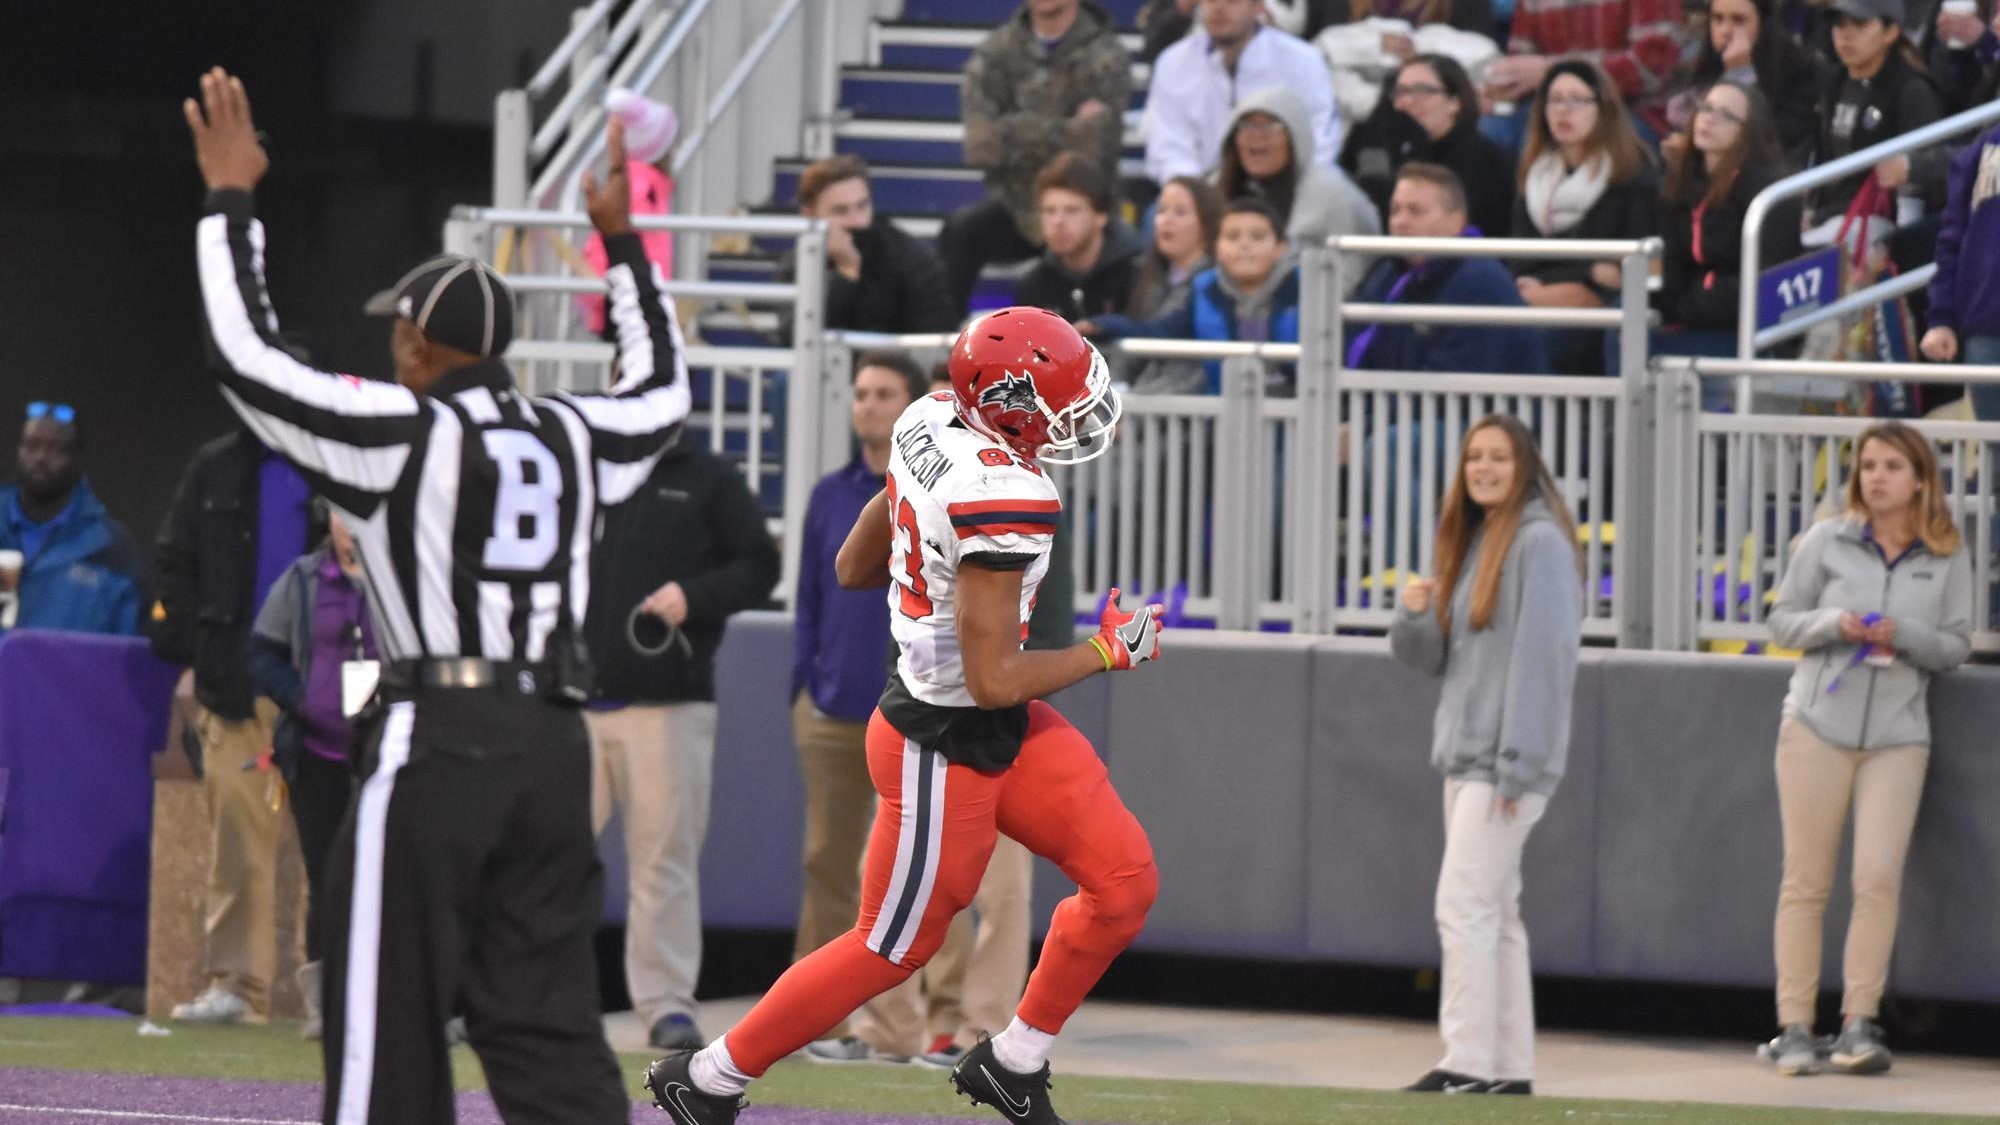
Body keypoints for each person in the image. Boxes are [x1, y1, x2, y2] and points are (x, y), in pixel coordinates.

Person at [183, 70, 690, 1124]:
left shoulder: (399, 431)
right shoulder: (573, 435)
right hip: (553, 744)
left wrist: (231, 205)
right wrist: (627, 253)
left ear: (416, 343)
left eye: (395, 334)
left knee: (387, 1018)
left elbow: (248, 360)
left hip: (439, 736)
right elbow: (661, 396)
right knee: (545, 1027)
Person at [645, 308, 1165, 1125]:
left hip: (985, 719)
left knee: (1125, 879)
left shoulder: (928, 416)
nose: (1074, 418)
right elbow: (993, 679)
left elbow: (854, 563)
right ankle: (707, 1076)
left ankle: (1015, 1058)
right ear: (1011, 403)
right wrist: (1108, 651)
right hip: (943, 736)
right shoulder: (1008, 491)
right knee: (891, 948)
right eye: (1058, 401)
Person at [791, 353, 1037, 1070]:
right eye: (863, 394)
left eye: (887, 395)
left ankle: (969, 1028)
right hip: (897, 706)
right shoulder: (871, 486)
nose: (873, 407)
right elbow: (833, 577)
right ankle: (880, 1028)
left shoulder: (1004, 488)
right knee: (871, 873)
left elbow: (1025, 620)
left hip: (960, 710)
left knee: (977, 883)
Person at [1761, 421, 1971, 1077]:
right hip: (1816, 727)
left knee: (1877, 878)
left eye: (1890, 466)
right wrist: (1834, 624)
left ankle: (1858, 1020)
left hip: (1898, 738)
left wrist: (1903, 632)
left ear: (1918, 480)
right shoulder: (1825, 539)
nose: (1875, 476)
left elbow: (1956, 644)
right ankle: (1794, 1026)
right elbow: (1781, 620)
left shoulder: (1945, 550)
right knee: (1806, 879)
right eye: (1868, 464)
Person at [1389, 413, 1583, 1098]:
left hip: (1504, 763)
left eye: (1499, 457)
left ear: (1524, 464)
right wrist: (1414, 611)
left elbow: (1546, 660)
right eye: (1475, 456)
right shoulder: (1475, 540)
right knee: (1496, 911)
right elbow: (1430, 658)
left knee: (1464, 901)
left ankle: (1466, 1061)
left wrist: (1520, 762)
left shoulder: (1541, 543)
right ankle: (1508, 1067)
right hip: (1467, 756)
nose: (1484, 468)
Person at [583, 430, 781, 1052]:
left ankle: (666, 1004)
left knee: (663, 862)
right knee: (543, 859)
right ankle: (518, 997)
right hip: (571, 697)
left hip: (667, 699)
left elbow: (759, 564)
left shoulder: (710, 475)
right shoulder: (586, 463)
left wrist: (694, 597)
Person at [152, 408, 315, 1025]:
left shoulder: (337, 465)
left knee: (337, 852)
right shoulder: (215, 466)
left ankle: (341, 994)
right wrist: (208, 647)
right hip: (239, 689)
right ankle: (238, 990)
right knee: (238, 847)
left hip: (323, 696)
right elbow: (173, 561)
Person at [249, 506, 377, 1041]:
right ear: (329, 520)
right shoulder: (302, 579)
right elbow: (264, 651)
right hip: (319, 756)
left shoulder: (400, 582)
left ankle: (393, 1004)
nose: (352, 527)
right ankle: (326, 1005)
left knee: (390, 879)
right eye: (344, 515)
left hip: (384, 755)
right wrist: (300, 700)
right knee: (327, 879)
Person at [943, 0, 1132, 315]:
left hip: (1084, 206)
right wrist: (1067, 129)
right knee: (961, 230)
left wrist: (1012, 129)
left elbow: (1094, 148)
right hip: (1017, 204)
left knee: (1129, 256)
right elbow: (981, 148)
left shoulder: (1106, 53)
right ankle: (938, 347)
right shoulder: (995, 52)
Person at [1509, 61, 1661, 375]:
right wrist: (1589, 270)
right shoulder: (1533, 176)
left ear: (1603, 109)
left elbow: (1624, 271)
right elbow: (1522, 263)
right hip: (1541, 299)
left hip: (1604, 313)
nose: (1564, 111)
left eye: (1577, 100)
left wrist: (1579, 278)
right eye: (1555, 100)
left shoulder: (1634, 176)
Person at [1079, 198, 1304, 393]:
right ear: (1217, 247)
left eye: (1257, 236)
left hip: (1298, 416)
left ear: (1281, 247)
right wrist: (1104, 325)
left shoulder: (1306, 290)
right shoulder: (1205, 291)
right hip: (1221, 420)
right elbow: (1160, 332)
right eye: (1233, 237)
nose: (1244, 245)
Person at [1348, 165, 1548, 374]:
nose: (1400, 222)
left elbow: (1449, 390)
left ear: (1456, 222)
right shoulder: (1389, 274)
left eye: (1416, 211)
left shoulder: (1480, 284)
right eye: (1395, 210)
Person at [1655, 81, 1804, 362]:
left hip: (1749, 334)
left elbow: (1764, 285)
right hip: (1692, 320)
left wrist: (1698, 292)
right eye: (1706, 108)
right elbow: (1671, 271)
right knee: (1628, 336)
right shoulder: (1679, 185)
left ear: (1747, 132)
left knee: (1645, 352)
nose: (1709, 118)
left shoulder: (1768, 193)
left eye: (1726, 115)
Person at [1145, 0, 1343, 185]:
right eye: (1211, 0)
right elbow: (1168, 148)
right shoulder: (1173, 63)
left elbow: (1320, 141)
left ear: (1258, 6)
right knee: (1164, 212)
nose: (1219, 7)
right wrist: (1201, 197)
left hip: (1287, 191)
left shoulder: (1303, 61)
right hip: (1201, 198)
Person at [1805, 0, 1948, 239]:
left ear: (1890, 32)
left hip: (1880, 221)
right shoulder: (1832, 82)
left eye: (1860, 24)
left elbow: (1929, 172)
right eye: (1839, 24)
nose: (1846, 35)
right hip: (1828, 215)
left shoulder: (1911, 89)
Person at [775, 155, 960, 340]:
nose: (858, 221)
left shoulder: (914, 260)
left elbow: (934, 344)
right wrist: (846, 274)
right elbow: (796, 340)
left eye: (862, 206)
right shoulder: (800, 262)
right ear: (810, 216)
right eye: (841, 211)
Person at [0, 403, 144, 637]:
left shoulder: (110, 546)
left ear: (77, 460)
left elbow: (127, 648)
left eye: (55, 448)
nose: (40, 458)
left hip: (66, 674)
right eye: (32, 445)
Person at [1213, 86, 1383, 281]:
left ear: (1296, 134)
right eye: (1247, 125)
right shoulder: (1215, 189)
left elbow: (1351, 275)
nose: (1257, 135)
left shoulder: (1335, 197)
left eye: (1271, 125)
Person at [1340, 56, 1516, 242]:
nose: (1404, 103)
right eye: (1399, 92)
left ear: (1454, 102)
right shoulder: (1396, 147)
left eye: (1420, 91)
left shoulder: (1480, 158)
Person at [1489, 0, 1686, 137]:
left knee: (1548, 145)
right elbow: (1522, 62)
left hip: (1627, 114)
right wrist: (1499, 92)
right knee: (1490, 130)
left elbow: (1651, 67)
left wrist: (1553, 71)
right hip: (1549, 110)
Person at [1667, 0, 1824, 165]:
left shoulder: (1798, 71)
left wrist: (1741, 76)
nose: (1725, 30)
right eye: (1717, 19)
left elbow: (1771, 140)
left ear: (1762, 25)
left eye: (1739, 20)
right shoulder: (1697, 70)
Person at [1918, 118, 2000, 418]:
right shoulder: (1987, 144)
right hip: (1987, 331)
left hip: (1986, 330)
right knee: (1995, 457)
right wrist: (1941, 317)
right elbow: (1953, 238)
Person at [1120, 175, 1227, 394]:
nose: (1166, 220)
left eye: (1180, 212)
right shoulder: (1141, 275)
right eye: (1161, 211)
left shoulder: (1215, 283)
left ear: (1207, 223)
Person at [1013, 153, 1146, 322]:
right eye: (1049, 211)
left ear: (1101, 216)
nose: (1058, 221)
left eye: (1071, 210)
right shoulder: (1033, 284)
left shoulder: (1138, 276)